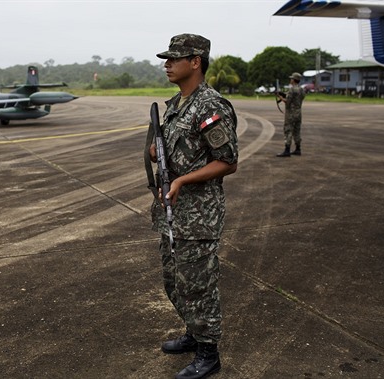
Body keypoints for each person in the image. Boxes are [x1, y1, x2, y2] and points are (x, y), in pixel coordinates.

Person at [149, 34, 238, 379]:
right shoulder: (175, 104)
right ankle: (192, 332)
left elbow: (227, 161)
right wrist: (158, 154)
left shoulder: (210, 105)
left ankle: (208, 353)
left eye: (174, 58)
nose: (167, 64)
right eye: (167, 58)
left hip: (199, 215)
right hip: (173, 213)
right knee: (174, 281)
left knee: (199, 284)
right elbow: (171, 149)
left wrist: (183, 180)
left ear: (196, 61)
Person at [276, 72, 305, 157]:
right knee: (297, 131)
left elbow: (287, 101)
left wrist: (280, 96)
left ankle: (287, 150)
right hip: (298, 113)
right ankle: (298, 148)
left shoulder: (292, 89)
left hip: (290, 114)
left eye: (291, 79)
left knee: (288, 130)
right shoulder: (301, 89)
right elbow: (296, 99)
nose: (290, 80)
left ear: (293, 80)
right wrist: (284, 95)